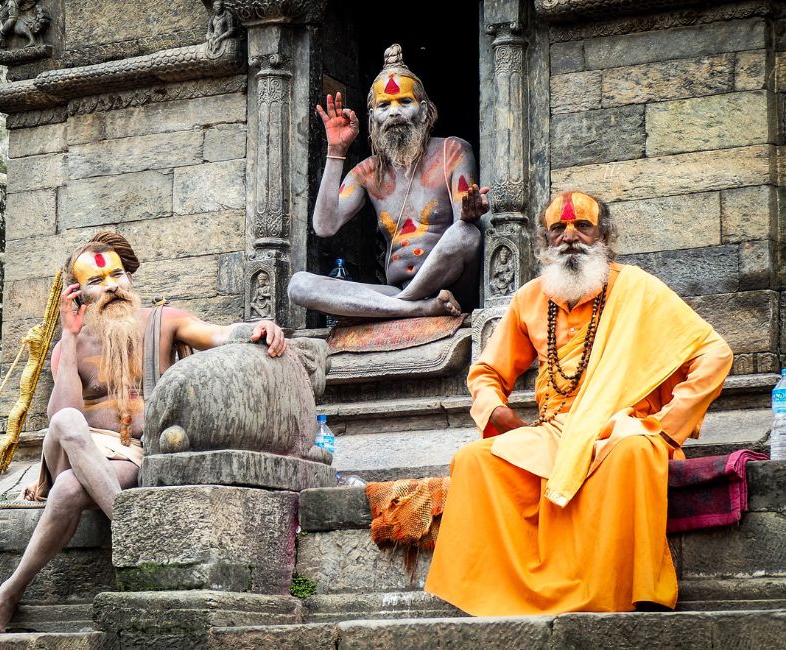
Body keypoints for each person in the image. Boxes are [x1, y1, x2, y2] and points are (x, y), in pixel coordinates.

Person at [425, 191, 733, 615]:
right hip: (556, 430)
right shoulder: (530, 299)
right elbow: (486, 373)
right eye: (558, 229)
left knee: (634, 453)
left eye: (583, 227)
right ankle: (506, 594)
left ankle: (618, 591)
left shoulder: (637, 289)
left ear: (604, 235)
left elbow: (714, 354)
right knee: (475, 461)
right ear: (543, 242)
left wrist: (665, 424)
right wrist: (495, 410)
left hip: (619, 427)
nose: (570, 237)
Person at [0, 231, 285, 634]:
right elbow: (62, 414)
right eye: (98, 282)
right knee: (65, 421)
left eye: (117, 275)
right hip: (70, 442)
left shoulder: (162, 321)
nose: (112, 286)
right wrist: (68, 335)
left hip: (128, 453)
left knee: (67, 490)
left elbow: (218, 334)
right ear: (79, 293)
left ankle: (8, 594)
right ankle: (138, 530)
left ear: (128, 276)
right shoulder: (71, 345)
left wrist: (258, 328)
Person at [288, 44, 489, 320]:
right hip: (392, 293)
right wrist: (335, 151)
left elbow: (463, 237)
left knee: (466, 234)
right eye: (384, 105)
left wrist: (469, 216)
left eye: (404, 102)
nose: (394, 112)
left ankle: (393, 309)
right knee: (298, 285)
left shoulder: (453, 151)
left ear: (424, 110)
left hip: (451, 287)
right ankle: (416, 308)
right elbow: (324, 226)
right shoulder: (367, 172)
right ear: (372, 118)